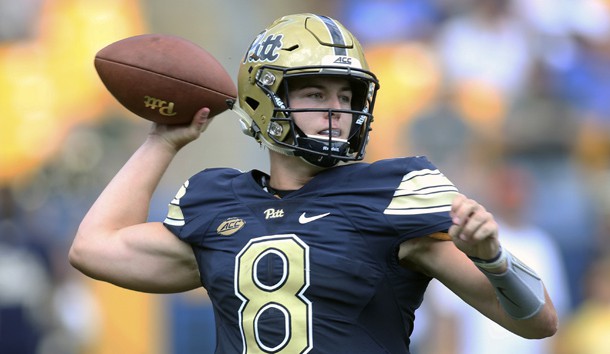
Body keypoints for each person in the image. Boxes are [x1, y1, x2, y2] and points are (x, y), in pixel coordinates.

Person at [69, 13, 558, 353]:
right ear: (264, 99)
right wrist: (162, 142)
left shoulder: (394, 191)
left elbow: (537, 322)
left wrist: (492, 258)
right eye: (315, 92)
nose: (336, 112)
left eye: (347, 96)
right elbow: (94, 248)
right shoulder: (216, 201)